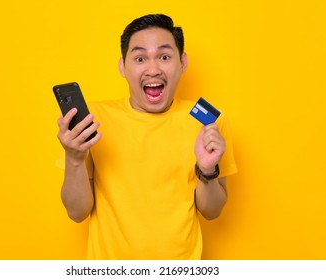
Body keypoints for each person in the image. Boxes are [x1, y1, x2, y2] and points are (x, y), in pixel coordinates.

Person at [56, 14, 237, 259]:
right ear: (123, 66)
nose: (153, 69)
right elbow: (77, 212)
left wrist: (206, 170)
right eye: (140, 58)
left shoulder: (207, 123)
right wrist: (75, 158)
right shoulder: (90, 122)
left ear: (182, 62)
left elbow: (212, 211)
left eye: (164, 57)